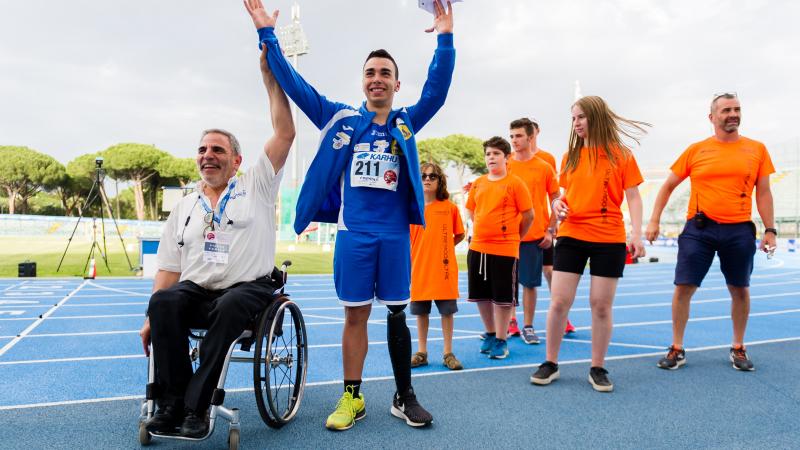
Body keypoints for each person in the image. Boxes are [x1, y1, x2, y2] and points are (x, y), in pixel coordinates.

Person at [245, 0, 455, 430]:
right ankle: (352, 398)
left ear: (397, 84)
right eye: (370, 73)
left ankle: (404, 395)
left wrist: (446, 37)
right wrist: (267, 34)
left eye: (385, 74)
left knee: (398, 312)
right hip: (354, 235)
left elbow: (438, 90)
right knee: (354, 315)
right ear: (363, 82)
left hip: (395, 236)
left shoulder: (406, 123)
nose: (377, 79)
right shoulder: (338, 117)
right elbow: (295, 84)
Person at [138, 41, 295, 437]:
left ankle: (198, 407)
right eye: (203, 149)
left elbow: (285, 132)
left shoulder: (257, 185)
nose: (208, 155)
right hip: (196, 291)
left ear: (236, 160)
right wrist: (150, 317)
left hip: (248, 291)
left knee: (230, 305)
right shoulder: (186, 205)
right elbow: (170, 269)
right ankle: (171, 404)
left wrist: (269, 76)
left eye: (218, 150)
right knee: (162, 302)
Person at [645, 92, 776, 371]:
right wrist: (654, 220)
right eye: (727, 110)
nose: (733, 114)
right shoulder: (696, 150)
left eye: (737, 109)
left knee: (740, 289)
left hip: (739, 229)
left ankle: (738, 347)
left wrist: (770, 230)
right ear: (712, 117)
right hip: (699, 229)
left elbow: (763, 193)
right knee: (683, 287)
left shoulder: (757, 149)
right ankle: (677, 347)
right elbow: (668, 186)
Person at [530, 96, 648, 392]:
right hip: (571, 235)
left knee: (601, 305)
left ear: (596, 117)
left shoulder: (621, 155)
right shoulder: (571, 155)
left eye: (581, 117)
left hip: (608, 237)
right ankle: (551, 362)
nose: (577, 123)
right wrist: (557, 206)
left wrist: (636, 234)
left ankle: (598, 367)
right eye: (573, 119)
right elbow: (563, 195)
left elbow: (633, 196)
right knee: (559, 301)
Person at [466, 137, 534, 360]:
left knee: (503, 298)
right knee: (481, 296)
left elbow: (528, 215)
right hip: (478, 248)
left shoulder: (515, 183)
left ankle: (502, 340)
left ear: (506, 157)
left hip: (505, 249)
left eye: (496, 153)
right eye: (488, 154)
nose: (491, 157)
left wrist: (516, 237)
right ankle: (490, 332)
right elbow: (471, 210)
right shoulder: (479, 183)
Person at [507, 118, 560, 344]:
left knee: (529, 283)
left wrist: (550, 230)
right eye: (511, 136)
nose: (514, 140)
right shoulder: (506, 163)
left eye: (518, 136)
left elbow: (556, 199)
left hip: (534, 235)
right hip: (507, 235)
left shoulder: (544, 167)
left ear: (530, 138)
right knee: (506, 283)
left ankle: (528, 326)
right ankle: (509, 323)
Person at [409, 163, 465, 370]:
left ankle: (448, 353)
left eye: (432, 176)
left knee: (447, 312)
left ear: (440, 181)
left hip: (444, 271)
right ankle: (422, 352)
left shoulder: (449, 208)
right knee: (421, 313)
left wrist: (444, 248)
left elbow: (459, 234)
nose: (427, 179)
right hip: (419, 269)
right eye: (423, 175)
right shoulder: (412, 208)